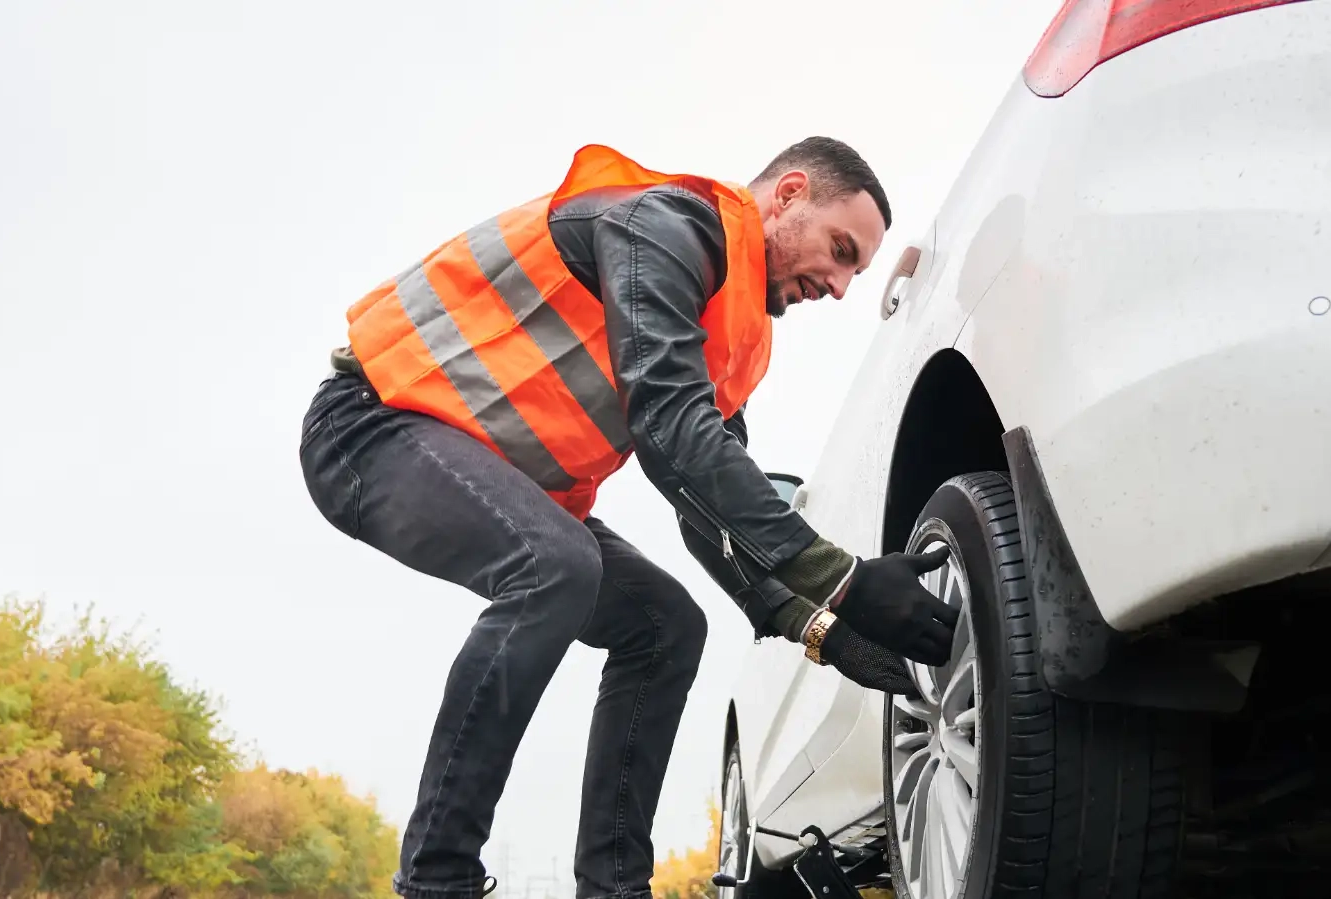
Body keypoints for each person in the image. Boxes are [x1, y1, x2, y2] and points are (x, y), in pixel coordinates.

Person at [296, 137, 960, 899]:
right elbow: (671, 429)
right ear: (788, 195)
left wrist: (822, 626)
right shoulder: (664, 227)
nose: (841, 286)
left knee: (666, 624)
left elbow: (706, 497)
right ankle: (436, 879)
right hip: (368, 425)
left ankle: (614, 888)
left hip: (505, 477)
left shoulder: (732, 329)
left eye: (855, 271)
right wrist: (843, 580)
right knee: (555, 567)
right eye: (841, 250)